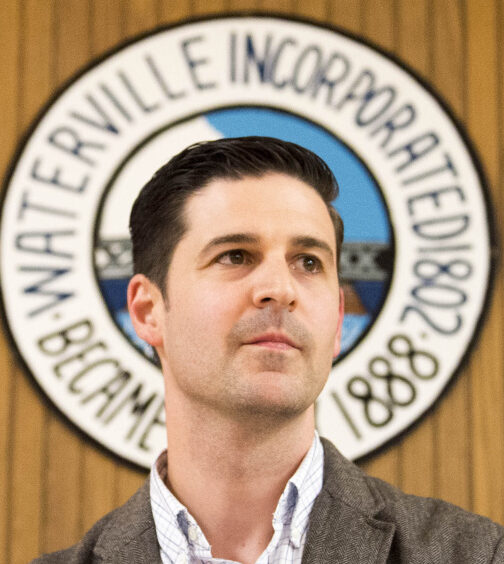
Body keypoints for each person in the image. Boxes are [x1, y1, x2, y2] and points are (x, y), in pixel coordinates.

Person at [33, 137, 503, 563]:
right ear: (147, 310)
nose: (280, 288)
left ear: (338, 319)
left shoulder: (479, 554)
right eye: (235, 255)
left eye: (309, 262)